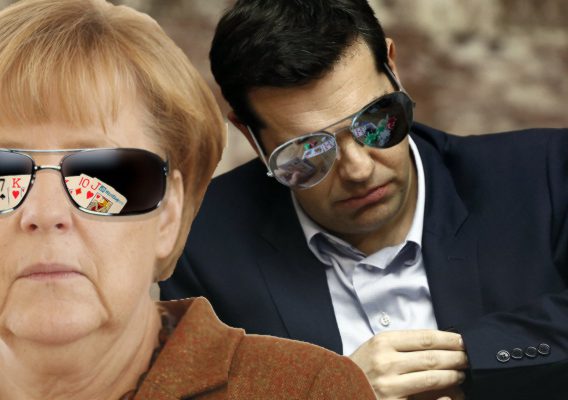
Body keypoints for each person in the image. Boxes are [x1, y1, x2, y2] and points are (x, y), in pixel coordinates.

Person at [160, 0, 568, 399]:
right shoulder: (197, 245)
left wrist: (460, 361)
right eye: (310, 150)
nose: (358, 169)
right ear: (250, 135)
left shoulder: (545, 174)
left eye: (373, 121)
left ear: (392, 67)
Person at [0, 1, 378, 399]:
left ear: (169, 213)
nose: (45, 213)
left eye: (105, 175)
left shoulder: (308, 390)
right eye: (5, 175)